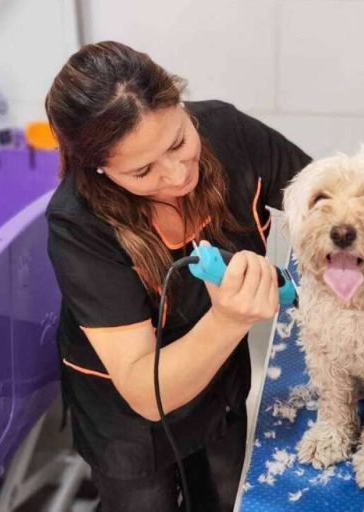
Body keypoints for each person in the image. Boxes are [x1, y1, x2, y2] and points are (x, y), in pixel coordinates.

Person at [44, 41, 311, 511]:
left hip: (220, 387)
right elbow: (145, 392)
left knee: (224, 496)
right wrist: (229, 320)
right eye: (143, 170)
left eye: (178, 142)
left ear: (180, 104)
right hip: (130, 424)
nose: (176, 175)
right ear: (100, 168)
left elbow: (326, 197)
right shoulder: (78, 225)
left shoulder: (229, 133)